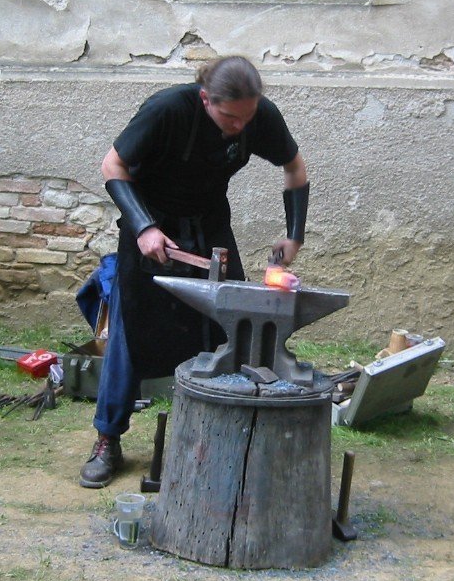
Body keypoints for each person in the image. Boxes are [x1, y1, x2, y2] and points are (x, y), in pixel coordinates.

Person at [80, 55, 309, 488]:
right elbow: (113, 166)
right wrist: (144, 227)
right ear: (206, 99)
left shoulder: (259, 116)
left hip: (209, 226)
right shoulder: (167, 109)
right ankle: (107, 438)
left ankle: (223, 436)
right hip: (149, 223)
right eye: (229, 117)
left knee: (232, 328)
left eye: (248, 116)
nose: (241, 126)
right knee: (132, 330)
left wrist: (293, 235)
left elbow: (295, 168)